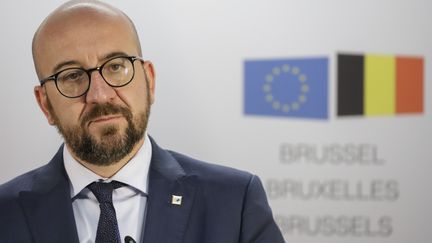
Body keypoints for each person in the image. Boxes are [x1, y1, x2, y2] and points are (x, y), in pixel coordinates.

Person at [0, 1, 285, 242]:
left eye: (115, 67)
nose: (100, 94)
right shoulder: (5, 214)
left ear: (148, 80)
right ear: (45, 103)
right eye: (72, 76)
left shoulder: (235, 203)